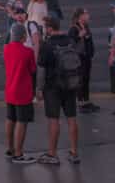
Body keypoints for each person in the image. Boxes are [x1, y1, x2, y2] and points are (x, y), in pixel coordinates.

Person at [36, 17, 80, 165]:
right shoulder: (71, 42)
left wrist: (39, 88)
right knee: (72, 118)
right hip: (70, 84)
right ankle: (74, 152)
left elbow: (41, 70)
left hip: (52, 87)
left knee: (54, 120)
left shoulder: (47, 46)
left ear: (49, 28)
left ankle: (52, 153)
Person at [3, 23, 37, 164]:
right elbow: (33, 70)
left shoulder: (6, 49)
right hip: (22, 91)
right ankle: (19, 153)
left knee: (10, 119)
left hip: (9, 90)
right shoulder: (28, 52)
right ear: (23, 36)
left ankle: (10, 148)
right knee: (21, 122)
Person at [68, 8, 98, 113]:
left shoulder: (86, 27)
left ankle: (86, 101)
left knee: (86, 79)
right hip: (79, 58)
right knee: (80, 80)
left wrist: (91, 53)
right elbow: (70, 43)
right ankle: (80, 103)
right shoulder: (74, 28)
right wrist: (78, 36)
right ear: (80, 16)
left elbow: (89, 40)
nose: (88, 16)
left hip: (86, 57)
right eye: (86, 14)